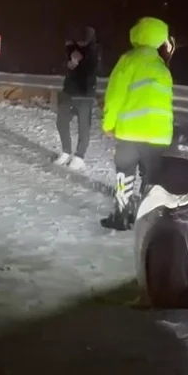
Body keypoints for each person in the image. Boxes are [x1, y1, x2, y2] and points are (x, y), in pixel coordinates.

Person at [100, 17, 176, 231]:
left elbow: (115, 95)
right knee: (150, 177)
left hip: (130, 132)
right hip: (158, 136)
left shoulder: (129, 60)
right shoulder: (162, 67)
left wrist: (109, 123)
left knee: (125, 174)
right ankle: (146, 219)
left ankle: (122, 217)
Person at [55, 26, 99, 169]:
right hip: (69, 92)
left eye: (84, 39)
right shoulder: (71, 49)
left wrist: (80, 61)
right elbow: (61, 66)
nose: (81, 42)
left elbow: (94, 69)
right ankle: (66, 151)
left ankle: (79, 156)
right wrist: (69, 63)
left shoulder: (94, 51)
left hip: (85, 94)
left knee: (84, 126)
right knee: (61, 121)